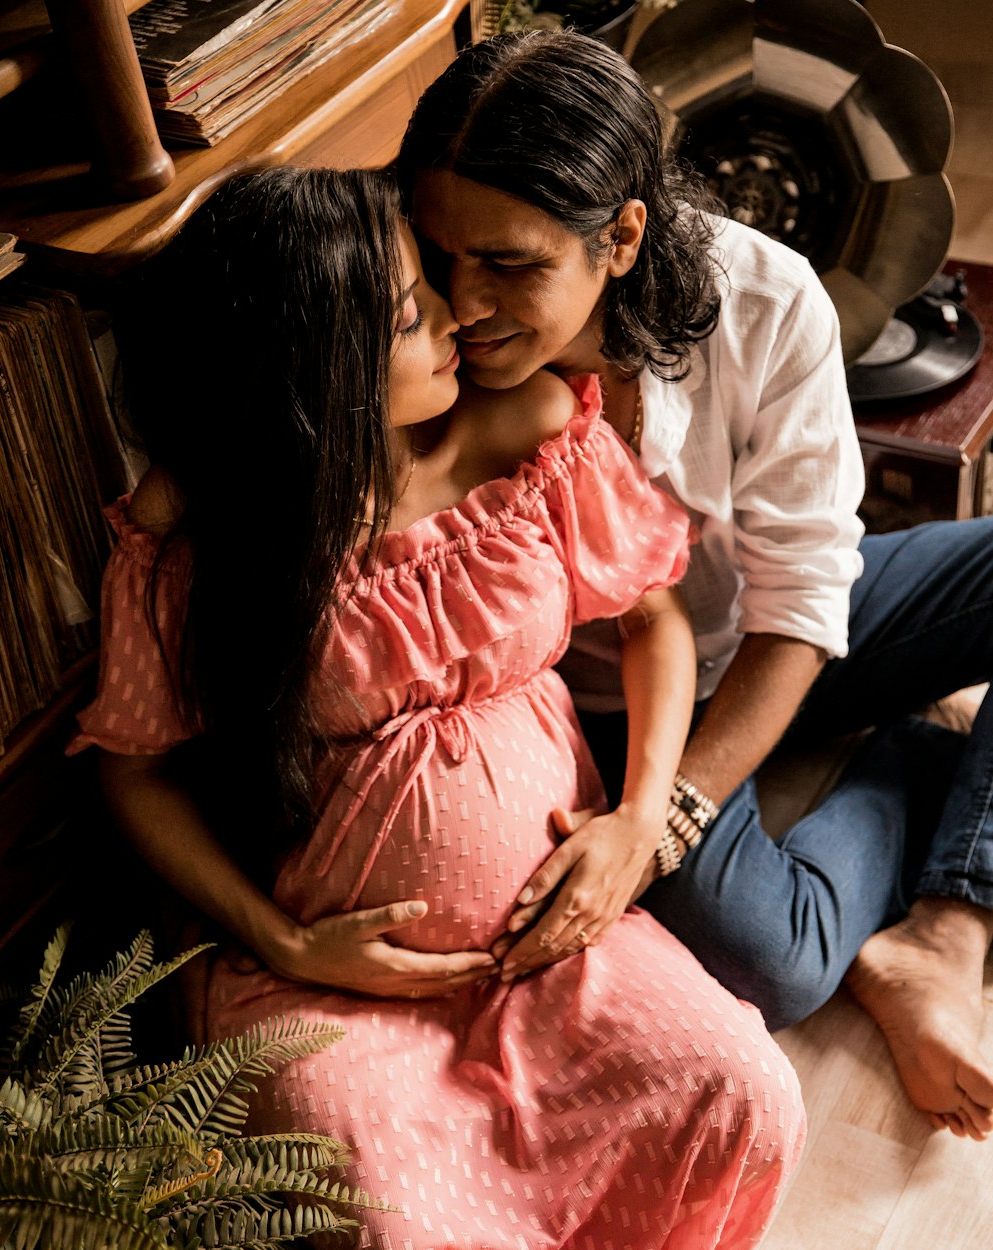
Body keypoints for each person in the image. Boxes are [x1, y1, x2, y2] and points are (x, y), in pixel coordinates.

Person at [70, 165, 804, 1249]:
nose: (460, 317)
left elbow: (653, 624)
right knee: (395, 1223)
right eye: (415, 315)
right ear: (322, 374)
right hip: (332, 985)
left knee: (742, 1088)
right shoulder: (202, 539)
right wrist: (285, 941)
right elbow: (130, 767)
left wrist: (641, 818)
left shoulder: (535, 429)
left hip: (554, 943)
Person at [395, 27, 993, 1141]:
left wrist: (664, 821)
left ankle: (948, 920)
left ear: (620, 237)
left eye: (512, 264)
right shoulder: (416, 359)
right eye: (439, 258)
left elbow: (806, 591)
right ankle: (910, 760)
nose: (462, 305)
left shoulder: (765, 298)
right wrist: (633, 812)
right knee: (774, 959)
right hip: (610, 712)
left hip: (769, 641)